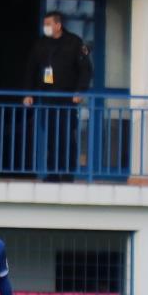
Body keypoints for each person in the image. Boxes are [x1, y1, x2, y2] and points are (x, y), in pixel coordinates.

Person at [22, 10, 92, 180]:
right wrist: (28, 93)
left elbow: (86, 69)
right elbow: (31, 69)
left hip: (68, 99)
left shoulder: (74, 42)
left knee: (67, 136)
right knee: (52, 137)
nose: (45, 27)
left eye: (48, 24)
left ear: (58, 25)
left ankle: (68, 173)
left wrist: (80, 90)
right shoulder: (41, 44)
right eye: (44, 24)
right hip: (47, 98)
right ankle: (52, 173)